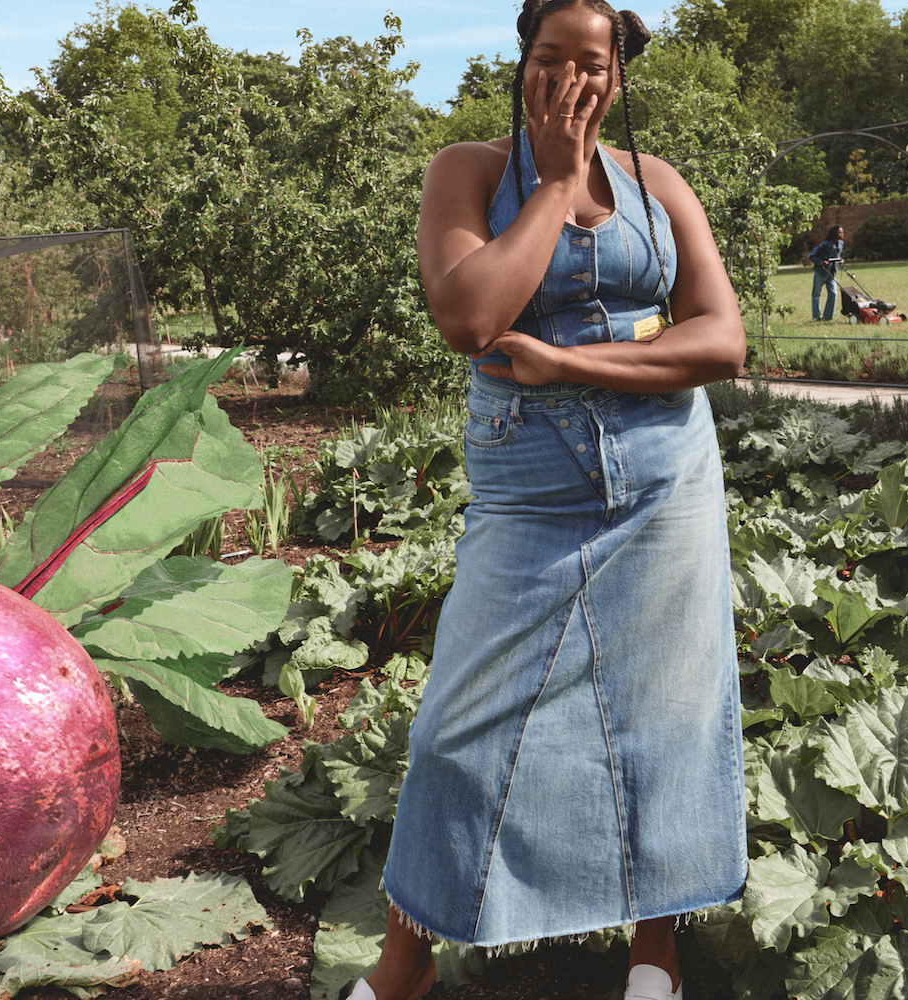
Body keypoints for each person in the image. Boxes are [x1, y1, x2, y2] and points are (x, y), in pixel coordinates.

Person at [347, 3, 749, 1000]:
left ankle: (653, 959)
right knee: (458, 726)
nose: (569, 78)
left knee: (667, 713)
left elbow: (720, 341)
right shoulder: (470, 173)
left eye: (591, 61)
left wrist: (569, 359)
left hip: (666, 478)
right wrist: (559, 179)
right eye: (549, 58)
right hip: (530, 483)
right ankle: (405, 967)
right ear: (521, 65)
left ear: (619, 76)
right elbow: (471, 311)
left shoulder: (661, 185)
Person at [809, 225, 845, 321]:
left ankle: (828, 317)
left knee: (833, 294)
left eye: (842, 232)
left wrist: (840, 261)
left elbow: (836, 256)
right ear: (834, 234)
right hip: (821, 272)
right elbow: (812, 255)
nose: (842, 234)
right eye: (840, 233)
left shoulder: (841, 243)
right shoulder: (825, 244)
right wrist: (821, 262)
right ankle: (816, 317)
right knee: (816, 295)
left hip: (831, 273)